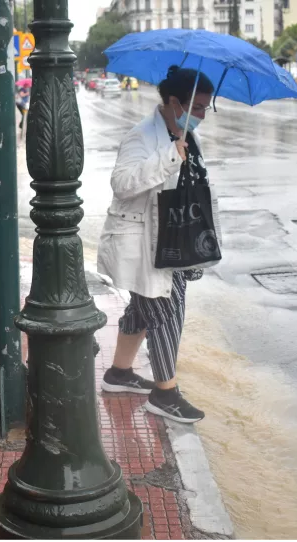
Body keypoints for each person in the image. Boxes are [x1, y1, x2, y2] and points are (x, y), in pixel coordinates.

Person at [97, 66, 221, 424]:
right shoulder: (142, 137)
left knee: (142, 309)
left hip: (177, 241)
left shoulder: (187, 136)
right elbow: (122, 184)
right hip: (147, 244)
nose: (201, 115)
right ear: (172, 102)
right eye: (196, 106)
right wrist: (169, 156)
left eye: (205, 108)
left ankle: (119, 373)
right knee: (166, 313)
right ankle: (165, 393)